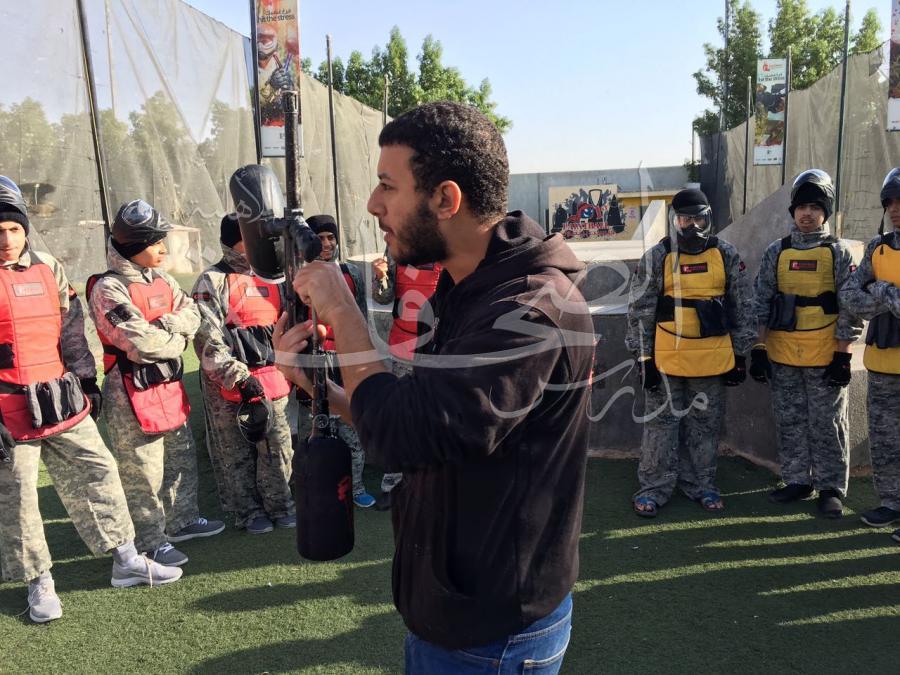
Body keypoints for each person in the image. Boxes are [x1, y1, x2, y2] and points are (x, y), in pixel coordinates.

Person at [273, 101, 593, 673]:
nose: (373, 204)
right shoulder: (472, 284)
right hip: (455, 610)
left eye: (388, 186)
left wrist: (343, 310)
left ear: (446, 199)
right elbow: (436, 423)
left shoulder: (529, 310)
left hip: (491, 634)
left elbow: (404, 435)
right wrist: (322, 390)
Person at [0, 177, 182, 624]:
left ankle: (126, 560)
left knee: (99, 471)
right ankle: (39, 581)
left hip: (61, 398)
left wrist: (86, 379)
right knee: (19, 497)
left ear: (25, 229)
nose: (7, 240)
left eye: (14, 229)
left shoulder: (48, 268)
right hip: (8, 409)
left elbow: (70, 328)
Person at [88, 200, 224, 566]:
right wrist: (178, 339)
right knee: (142, 472)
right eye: (154, 242)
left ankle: (182, 520)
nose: (163, 248)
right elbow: (141, 343)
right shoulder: (108, 288)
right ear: (133, 245)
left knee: (180, 456)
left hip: (167, 386)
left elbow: (193, 313)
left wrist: (167, 327)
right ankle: (150, 541)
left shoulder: (162, 279)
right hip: (130, 393)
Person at [626, 188, 755, 517]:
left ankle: (702, 485)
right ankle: (653, 488)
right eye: (685, 219)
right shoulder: (658, 256)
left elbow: (743, 306)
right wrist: (644, 359)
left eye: (698, 219)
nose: (692, 225)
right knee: (660, 426)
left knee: (705, 425)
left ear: (708, 219)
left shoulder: (725, 254)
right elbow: (640, 311)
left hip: (712, 360)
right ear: (674, 220)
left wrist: (740, 356)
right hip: (666, 361)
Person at [750, 169, 861, 518]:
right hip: (783, 355)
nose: (807, 214)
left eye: (815, 207)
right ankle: (797, 480)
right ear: (793, 211)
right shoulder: (777, 251)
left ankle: (831, 488)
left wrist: (843, 355)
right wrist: (759, 349)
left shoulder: (838, 253)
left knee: (828, 424)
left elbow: (851, 307)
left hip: (825, 356)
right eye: (801, 207)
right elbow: (760, 302)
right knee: (790, 420)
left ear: (825, 211)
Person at [191, 214, 295, 534]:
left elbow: (287, 325)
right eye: (252, 238)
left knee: (277, 446)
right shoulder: (212, 280)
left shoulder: (276, 278)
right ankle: (248, 512)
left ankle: (281, 504)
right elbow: (207, 340)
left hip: (272, 378)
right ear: (235, 242)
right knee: (234, 452)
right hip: (230, 384)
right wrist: (239, 377)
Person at [300, 214, 374, 508]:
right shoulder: (299, 275)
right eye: (320, 238)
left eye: (331, 237)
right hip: (315, 360)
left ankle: (356, 487)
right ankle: (323, 489)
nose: (327, 243)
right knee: (319, 428)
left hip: (346, 358)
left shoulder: (351, 272)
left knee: (353, 425)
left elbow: (361, 317)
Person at [841, 167, 900, 534]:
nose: (895, 209)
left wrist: (880, 289)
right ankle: (892, 502)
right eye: (890, 202)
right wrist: (887, 296)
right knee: (884, 440)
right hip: (881, 366)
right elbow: (850, 295)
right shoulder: (878, 248)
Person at [370, 251, 443, 510]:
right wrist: (380, 277)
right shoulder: (396, 254)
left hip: (438, 353)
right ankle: (393, 485)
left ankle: (431, 485)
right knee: (399, 417)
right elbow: (383, 297)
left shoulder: (447, 251)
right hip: (403, 349)